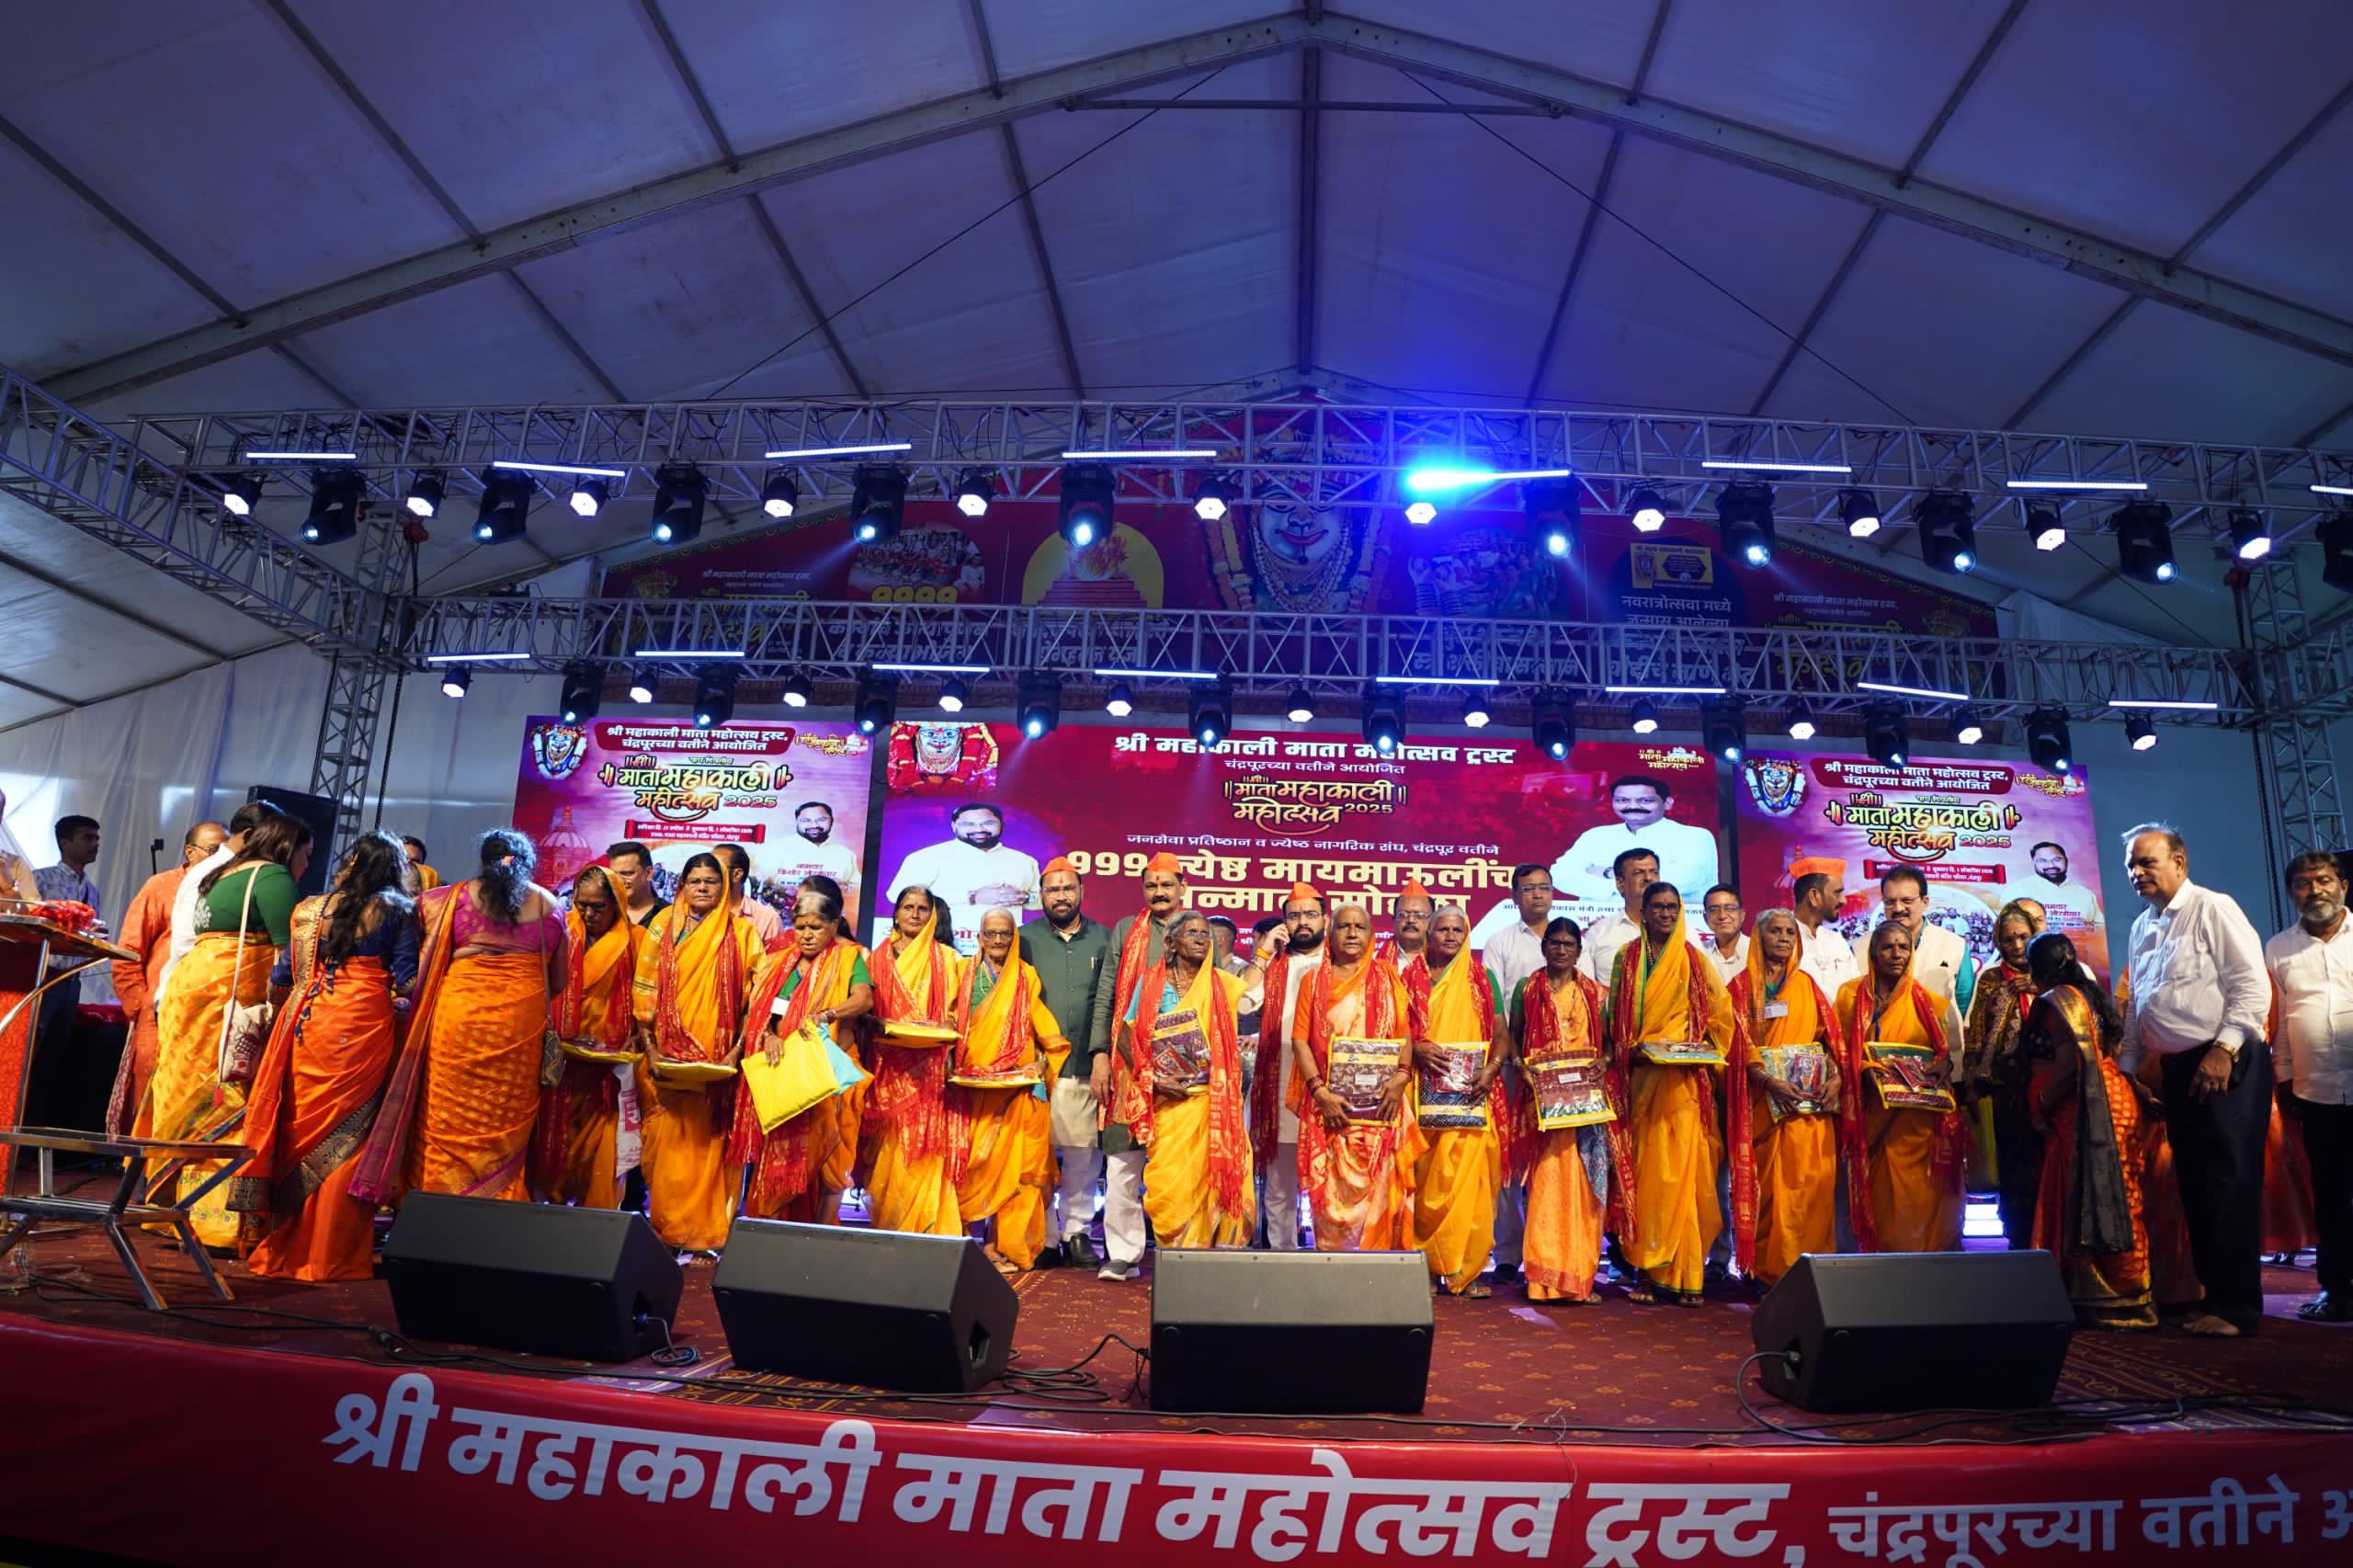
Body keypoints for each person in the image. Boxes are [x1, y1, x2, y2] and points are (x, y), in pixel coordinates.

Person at [232, 831, 416, 1281]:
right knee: (352, 1133)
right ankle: (330, 1251)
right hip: (362, 1023)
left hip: (308, 1021)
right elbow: (408, 978)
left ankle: (285, 1244)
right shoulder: (399, 910)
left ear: (351, 864)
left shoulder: (309, 910)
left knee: (297, 1128)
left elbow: (282, 978)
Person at [2118, 824, 2271, 1337]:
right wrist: (2127, 1070)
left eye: (2147, 861)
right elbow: (2139, 1005)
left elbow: (2251, 984)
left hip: (2226, 1061)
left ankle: (2238, 1308)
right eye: (2131, 865)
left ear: (2179, 862)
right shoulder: (2142, 927)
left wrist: (2224, 1049)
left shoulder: (2213, 908)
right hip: (2177, 1069)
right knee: (2197, 1185)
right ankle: (2215, 1298)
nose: (2136, 872)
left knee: (2229, 1182)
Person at [136, 810, 311, 1249]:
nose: (306, 865)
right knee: (228, 1096)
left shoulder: (220, 873)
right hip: (226, 1002)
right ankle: (215, 1224)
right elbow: (289, 957)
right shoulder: (272, 878)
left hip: (188, 993)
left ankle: (168, 1211)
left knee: (182, 1096)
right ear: (288, 848)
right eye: (306, 854)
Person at [361, 831, 564, 1206]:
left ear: (483, 861)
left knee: (445, 1116)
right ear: (527, 863)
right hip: (520, 1026)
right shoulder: (551, 907)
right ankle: (496, 1205)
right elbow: (559, 980)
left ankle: (436, 1203)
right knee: (504, 1121)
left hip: (458, 1022)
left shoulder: (445, 901)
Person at [626, 852, 762, 1253]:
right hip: (667, 1061)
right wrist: (651, 1050)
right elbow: (644, 991)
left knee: (711, 1146)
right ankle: (669, 1230)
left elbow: (755, 1002)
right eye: (695, 881)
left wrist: (735, 1053)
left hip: (719, 1065)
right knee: (668, 1146)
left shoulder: (743, 934)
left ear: (725, 887)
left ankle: (707, 1234)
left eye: (711, 881)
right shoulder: (662, 927)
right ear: (682, 885)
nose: (703, 888)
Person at [1608, 882, 1737, 1305]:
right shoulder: (1627, 958)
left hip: (1686, 1086)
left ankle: (1688, 1276)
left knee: (1688, 1179)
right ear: (1643, 911)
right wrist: (1629, 1050)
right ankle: (1647, 1273)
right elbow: (1615, 1017)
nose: (1665, 914)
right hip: (1643, 1084)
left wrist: (1703, 1050)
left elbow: (1722, 1016)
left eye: (1672, 907)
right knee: (1648, 1181)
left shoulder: (1695, 961)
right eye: (1657, 907)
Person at [1727, 910, 1870, 1286]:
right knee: (1771, 1194)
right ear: (1758, 937)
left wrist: (1837, 1077)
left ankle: (1814, 1274)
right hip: (1766, 1108)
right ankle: (1769, 1272)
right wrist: (1767, 1080)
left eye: (1790, 932)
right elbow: (1735, 1043)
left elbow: (1831, 1041)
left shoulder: (1808, 986)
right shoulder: (1740, 988)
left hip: (1811, 1110)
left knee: (1813, 1191)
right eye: (1774, 931)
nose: (1783, 938)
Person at [2023, 932, 2157, 1331]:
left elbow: (2069, 1063)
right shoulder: (2091, 996)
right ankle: (2127, 1296)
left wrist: (2041, 1102)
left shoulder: (2057, 1002)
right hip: (2116, 1100)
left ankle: (2118, 1300)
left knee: (2095, 1197)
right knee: (2122, 1197)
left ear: (2038, 969)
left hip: (2086, 1107)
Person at [1505, 918, 1631, 1303]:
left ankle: (1579, 1281)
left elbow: (1610, 1044)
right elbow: (1513, 1037)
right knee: (1545, 1189)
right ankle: (1542, 1281)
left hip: (1586, 1110)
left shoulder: (1596, 994)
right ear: (1543, 947)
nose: (1561, 949)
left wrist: (1603, 1062)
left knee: (1586, 1192)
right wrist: (1521, 1067)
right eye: (1555, 943)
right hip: (1543, 1107)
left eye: (1569, 944)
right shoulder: (1527, 990)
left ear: (1579, 951)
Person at [733, 883, 873, 1223]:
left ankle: (821, 1236)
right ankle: (771, 1233)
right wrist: (768, 1036)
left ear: (833, 925)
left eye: (816, 927)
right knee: (779, 1161)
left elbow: (863, 999)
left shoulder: (849, 958)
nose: (807, 935)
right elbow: (763, 1013)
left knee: (831, 1162)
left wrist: (827, 1015)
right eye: (800, 927)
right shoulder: (778, 964)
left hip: (832, 1076)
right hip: (787, 1076)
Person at [1116, 909, 1254, 1249]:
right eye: (1192, 933)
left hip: (1213, 1102)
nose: (1201, 939)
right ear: (1172, 942)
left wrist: (1264, 953)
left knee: (1217, 1181)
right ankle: (1181, 1257)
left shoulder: (1221, 984)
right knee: (1172, 1186)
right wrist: (1153, 1079)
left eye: (1205, 934)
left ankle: (1217, 1258)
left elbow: (1253, 994)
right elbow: (1124, 1036)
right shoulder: (1151, 982)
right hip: (1169, 1100)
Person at [1088, 853, 1190, 1279]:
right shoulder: (1127, 930)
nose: (1159, 892)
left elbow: (1216, 995)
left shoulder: (1196, 929)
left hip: (1185, 1065)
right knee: (1122, 1159)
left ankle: (1180, 1250)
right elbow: (1107, 992)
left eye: (1167, 885)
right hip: (1128, 1058)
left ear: (1182, 887)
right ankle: (1123, 1254)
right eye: (1152, 885)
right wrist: (1099, 1053)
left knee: (1180, 1161)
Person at [1292, 903, 1417, 1251]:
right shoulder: (1313, 981)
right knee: (1332, 1206)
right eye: (1343, 926)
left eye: (1359, 927)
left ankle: (1376, 1274)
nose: (1351, 933)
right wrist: (1320, 1093)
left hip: (1382, 1108)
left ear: (1371, 935)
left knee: (1381, 1195)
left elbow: (1404, 1035)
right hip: (1329, 1109)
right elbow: (1300, 1041)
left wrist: (1401, 1078)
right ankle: (1333, 1270)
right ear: (1330, 934)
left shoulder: (1387, 978)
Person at [1839, 922, 1967, 1255]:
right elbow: (1839, 1052)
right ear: (1873, 953)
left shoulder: (1929, 1002)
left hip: (1916, 1124)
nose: (1896, 954)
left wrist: (1943, 1065)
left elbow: (1943, 1054)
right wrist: (1865, 1068)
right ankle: (1883, 1259)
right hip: (1872, 1114)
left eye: (1903, 947)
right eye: (1887, 947)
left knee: (1919, 1195)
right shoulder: (1849, 996)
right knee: (1881, 1196)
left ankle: (1924, 1258)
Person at [2264, 850, 2353, 1323]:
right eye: (2303, 883)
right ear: (2291, 893)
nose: (2315, 890)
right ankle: (2337, 1290)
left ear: (2343, 886)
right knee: (2331, 1195)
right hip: (2314, 1091)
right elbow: (2279, 1021)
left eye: (2324, 880)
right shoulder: (2278, 948)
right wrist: (2283, 1077)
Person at [950, 907, 1064, 1269]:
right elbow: (950, 1021)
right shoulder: (963, 973)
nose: (998, 940)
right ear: (979, 938)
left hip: (1016, 1089)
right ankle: (962, 1244)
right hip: (970, 1089)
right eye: (991, 933)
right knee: (969, 1167)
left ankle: (999, 1246)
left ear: (1014, 938)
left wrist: (1041, 1063)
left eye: (1005, 934)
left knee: (1014, 1172)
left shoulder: (1026, 976)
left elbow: (1043, 1029)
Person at [530, 865, 648, 1209]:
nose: (588, 913)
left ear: (617, 904)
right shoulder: (561, 930)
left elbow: (647, 995)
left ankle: (596, 1213)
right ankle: (552, 1203)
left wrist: (639, 1035)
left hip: (610, 1060)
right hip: (562, 1054)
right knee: (556, 1133)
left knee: (601, 1141)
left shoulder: (637, 939)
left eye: (598, 906)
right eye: (582, 904)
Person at [1404, 907, 1506, 1295]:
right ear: (1429, 934)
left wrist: (1491, 1070)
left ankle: (1467, 1269)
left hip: (1471, 1095)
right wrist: (1415, 1048)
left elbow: (1501, 1033)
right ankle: (1427, 1267)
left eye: (1457, 930)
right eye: (1442, 929)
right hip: (1422, 1095)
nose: (1450, 936)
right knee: (1424, 1182)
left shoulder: (1482, 978)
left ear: (1466, 935)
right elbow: (1392, 1029)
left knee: (1472, 1184)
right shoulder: (1409, 978)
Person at [1020, 856, 1113, 1268]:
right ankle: (1043, 1236)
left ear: (1081, 892)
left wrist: (1103, 1055)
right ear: (1041, 894)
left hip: (1085, 1064)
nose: (1061, 896)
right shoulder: (1022, 939)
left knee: (1083, 1155)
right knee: (1036, 1157)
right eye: (1052, 889)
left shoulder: (1105, 940)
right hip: (1036, 1068)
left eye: (1067, 888)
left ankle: (1076, 1232)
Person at [105, 820, 226, 1133]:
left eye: (226, 850)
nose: (221, 857)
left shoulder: (228, 889)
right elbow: (128, 951)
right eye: (213, 850)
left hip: (205, 1015)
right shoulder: (161, 886)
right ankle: (142, 1162)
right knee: (150, 1095)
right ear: (190, 851)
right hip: (158, 1012)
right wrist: (140, 1005)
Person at [861, 884, 966, 1236]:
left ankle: (927, 1227)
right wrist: (877, 1024)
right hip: (886, 1066)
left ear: (932, 915)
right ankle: (890, 1225)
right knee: (887, 1148)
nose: (915, 914)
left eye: (922, 909)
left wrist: (947, 1025)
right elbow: (865, 1007)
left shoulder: (948, 959)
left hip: (929, 1069)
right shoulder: (876, 959)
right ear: (896, 913)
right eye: (908, 907)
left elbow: (957, 1010)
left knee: (926, 1148)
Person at [1475, 863, 1552, 1289]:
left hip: (1557, 1070)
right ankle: (1507, 1253)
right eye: (1528, 888)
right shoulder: (1499, 941)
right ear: (1514, 895)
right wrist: (1512, 1055)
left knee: (1551, 1160)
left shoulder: (1567, 936)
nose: (1537, 894)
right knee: (1508, 1158)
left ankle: (1547, 1251)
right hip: (1510, 1064)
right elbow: (1495, 1008)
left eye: (1544, 887)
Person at [1245, 882, 1328, 1254]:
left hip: (1328, 1080)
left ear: (1325, 919)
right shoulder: (1275, 966)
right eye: (1294, 916)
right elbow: (1242, 1003)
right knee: (1279, 1181)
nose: (1303, 922)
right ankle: (1282, 1253)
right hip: (1279, 1076)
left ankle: (1333, 1256)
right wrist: (1263, 953)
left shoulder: (1340, 964)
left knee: (1329, 1176)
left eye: (1311, 914)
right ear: (1284, 923)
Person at [1963, 901, 2051, 1249]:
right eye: (2008, 939)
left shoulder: (2053, 975)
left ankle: (2051, 1239)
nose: (2016, 945)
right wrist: (1973, 1079)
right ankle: (2018, 1240)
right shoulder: (1991, 978)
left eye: (2023, 937)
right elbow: (1977, 1031)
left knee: (2048, 1163)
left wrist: (2039, 988)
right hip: (2006, 1085)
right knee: (2014, 1165)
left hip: (2051, 1083)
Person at [162, 801, 283, 999]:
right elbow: (186, 941)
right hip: (199, 990)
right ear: (249, 836)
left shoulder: (241, 869)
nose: (277, 849)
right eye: (272, 840)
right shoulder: (214, 870)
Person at [1552, 775, 1719, 912]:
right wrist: (1628, 884)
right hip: (1602, 927)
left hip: (1674, 930)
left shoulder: (1695, 837)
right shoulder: (1595, 836)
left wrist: (1607, 873)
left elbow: (1682, 880)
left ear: (1668, 803)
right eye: (1622, 800)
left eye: (1645, 801)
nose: (1633, 806)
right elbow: (1560, 875)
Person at [886, 802, 1042, 941]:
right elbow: (897, 896)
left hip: (1004, 947)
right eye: (968, 824)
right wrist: (972, 897)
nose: (979, 829)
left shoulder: (1024, 861)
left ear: (1002, 824)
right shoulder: (928, 856)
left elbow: (1042, 900)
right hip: (944, 947)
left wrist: (1026, 898)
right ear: (954, 826)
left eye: (988, 823)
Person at [1852, 867, 1972, 1022]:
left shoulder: (1954, 945)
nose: (1898, 908)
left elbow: (1964, 1002)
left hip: (1937, 1036)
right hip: (1876, 1036)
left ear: (1925, 902)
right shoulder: (1860, 947)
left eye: (1906, 901)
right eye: (1890, 902)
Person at [32, 813, 104, 1074]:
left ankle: (39, 1103)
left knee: (54, 1055)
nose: (95, 844)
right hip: (43, 976)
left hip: (72, 981)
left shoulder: (92, 891)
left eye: (97, 838)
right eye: (88, 838)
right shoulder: (41, 879)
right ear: (65, 842)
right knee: (31, 1046)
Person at [2002, 840, 2102, 949]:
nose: (2051, 865)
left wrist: (2091, 929)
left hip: (2078, 955)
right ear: (2033, 863)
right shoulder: (2015, 890)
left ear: (2066, 860)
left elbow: (2101, 929)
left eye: (2057, 860)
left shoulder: (2085, 894)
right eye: (2042, 861)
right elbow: (2003, 930)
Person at [1579, 848, 1656, 986]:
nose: (1649, 878)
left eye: (1654, 872)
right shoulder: (1599, 934)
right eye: (1638, 872)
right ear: (1620, 883)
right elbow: (1586, 989)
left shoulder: (1684, 934)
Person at [771, 801, 860, 913]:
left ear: (832, 821)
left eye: (822, 820)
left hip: (829, 917)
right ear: (797, 821)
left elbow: (857, 890)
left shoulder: (846, 854)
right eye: (806, 820)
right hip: (782, 916)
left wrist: (845, 888)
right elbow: (761, 885)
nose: (814, 825)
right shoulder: (775, 849)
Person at [1790, 858, 1860, 999]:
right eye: (1837, 893)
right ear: (1814, 896)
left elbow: (1856, 991)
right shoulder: (1780, 941)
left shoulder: (1837, 941)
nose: (1843, 900)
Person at [710, 842, 785, 952]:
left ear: (737, 874)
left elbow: (773, 961)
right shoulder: (699, 912)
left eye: (716, 868)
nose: (708, 873)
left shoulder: (767, 919)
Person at [606, 840, 668, 928]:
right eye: (613, 875)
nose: (619, 880)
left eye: (627, 873)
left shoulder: (671, 915)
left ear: (649, 873)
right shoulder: (605, 913)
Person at [1699, 884, 1748, 983]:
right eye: (1714, 909)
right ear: (1705, 918)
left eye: (1730, 908)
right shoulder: (1699, 953)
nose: (1722, 916)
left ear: (1742, 915)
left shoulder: (1757, 951)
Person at [1381, 881, 1435, 965]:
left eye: (1420, 915)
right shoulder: (1373, 962)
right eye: (1403, 915)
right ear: (1394, 920)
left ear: (1432, 922)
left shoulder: (1443, 962)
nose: (1411, 920)